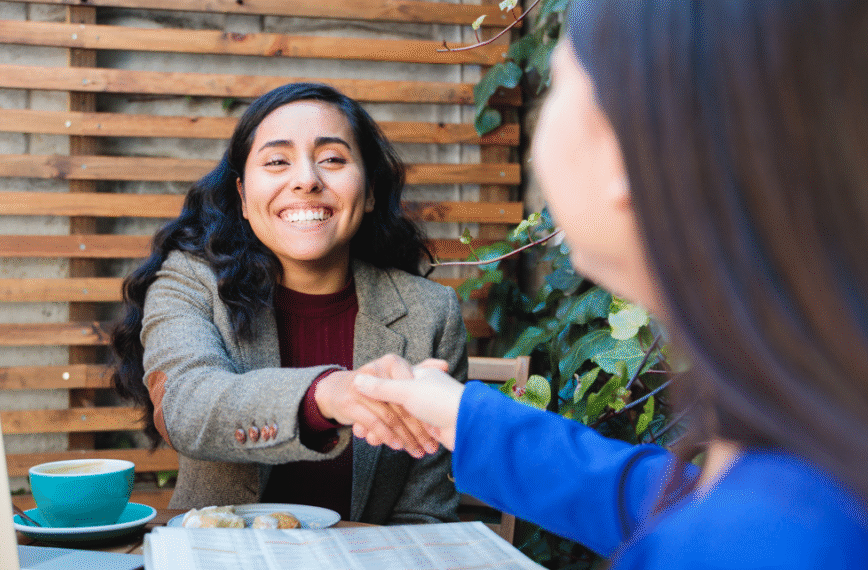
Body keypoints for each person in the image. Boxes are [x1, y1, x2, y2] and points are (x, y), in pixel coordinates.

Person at [352, 1, 868, 566]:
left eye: (558, 86)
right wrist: (464, 418)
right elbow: (670, 501)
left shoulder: (747, 545)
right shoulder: (807, 473)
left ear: (625, 147)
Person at [110, 82, 462, 525]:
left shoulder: (432, 313)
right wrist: (327, 395)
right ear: (241, 196)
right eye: (277, 161)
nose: (307, 180)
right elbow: (186, 407)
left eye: (333, 159)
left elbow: (425, 515)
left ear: (370, 191)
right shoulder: (189, 281)